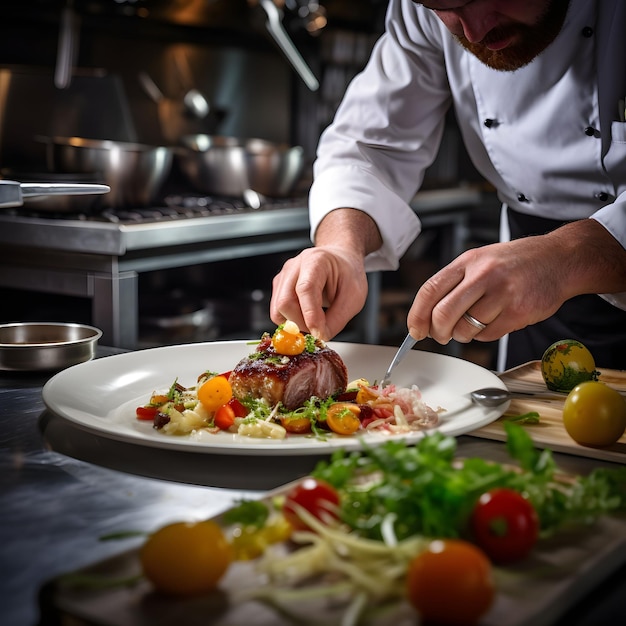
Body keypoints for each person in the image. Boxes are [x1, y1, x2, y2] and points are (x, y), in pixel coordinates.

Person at [269, 0, 626, 371]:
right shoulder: (420, 11)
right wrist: (341, 247)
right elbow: (373, 145)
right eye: (444, 8)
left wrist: (564, 260)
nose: (474, 32)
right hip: (530, 301)